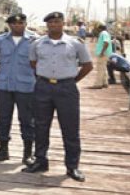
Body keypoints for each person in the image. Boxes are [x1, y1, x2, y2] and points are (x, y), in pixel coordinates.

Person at [23, 12, 93, 182]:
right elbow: (33, 63)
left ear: (63, 23)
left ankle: (72, 166)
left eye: (57, 22)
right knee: (40, 126)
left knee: (70, 128)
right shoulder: (37, 43)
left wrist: (71, 80)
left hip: (66, 88)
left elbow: (87, 65)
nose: (54, 25)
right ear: (47, 25)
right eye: (51, 22)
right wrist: (44, 76)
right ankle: (41, 161)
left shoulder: (75, 44)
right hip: (43, 87)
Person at [0, 13, 37, 165]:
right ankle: (3, 150)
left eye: (21, 23)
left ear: (25, 23)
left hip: (26, 87)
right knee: (3, 120)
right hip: (4, 86)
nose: (18, 26)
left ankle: (27, 153)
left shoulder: (34, 40)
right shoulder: (0, 40)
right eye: (14, 24)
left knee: (27, 120)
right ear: (9, 25)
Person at [92, 24, 112, 89]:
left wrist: (102, 52)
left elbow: (106, 43)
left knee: (100, 69)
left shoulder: (103, 33)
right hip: (105, 54)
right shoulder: (106, 33)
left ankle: (98, 84)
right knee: (103, 68)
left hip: (103, 54)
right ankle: (105, 82)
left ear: (100, 29)